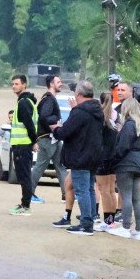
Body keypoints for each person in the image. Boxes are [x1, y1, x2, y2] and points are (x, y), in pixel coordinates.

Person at [53, 80, 103, 235]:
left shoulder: (79, 112)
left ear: (79, 94)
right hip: (94, 156)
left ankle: (86, 224)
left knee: (81, 190)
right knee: (88, 189)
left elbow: (65, 132)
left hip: (80, 156)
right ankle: (89, 220)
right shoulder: (98, 111)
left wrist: (56, 129)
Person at [106, 98, 140, 240]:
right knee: (136, 198)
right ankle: (139, 230)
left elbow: (123, 146)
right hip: (139, 162)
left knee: (126, 196)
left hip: (127, 163)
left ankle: (125, 227)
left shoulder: (129, 124)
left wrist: (114, 160)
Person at [31, 74, 68, 208]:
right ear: (51, 84)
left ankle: (67, 194)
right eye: (58, 81)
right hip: (47, 138)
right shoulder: (48, 99)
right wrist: (55, 125)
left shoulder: (51, 99)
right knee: (40, 166)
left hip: (54, 139)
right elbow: (44, 117)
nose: (61, 83)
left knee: (61, 165)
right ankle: (29, 192)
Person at [8, 74, 38, 216]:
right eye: (13, 84)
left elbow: (29, 125)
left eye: (17, 84)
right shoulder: (26, 101)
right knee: (23, 175)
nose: (14, 86)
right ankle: (24, 203)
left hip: (22, 144)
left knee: (24, 175)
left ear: (24, 85)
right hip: (21, 144)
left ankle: (26, 206)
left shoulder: (24, 103)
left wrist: (34, 141)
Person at [94, 92, 119, 230]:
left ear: (100, 101)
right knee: (110, 190)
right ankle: (111, 220)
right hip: (113, 156)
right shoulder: (116, 115)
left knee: (103, 190)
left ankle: (107, 221)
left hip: (103, 157)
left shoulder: (100, 116)